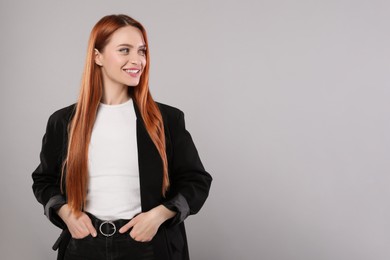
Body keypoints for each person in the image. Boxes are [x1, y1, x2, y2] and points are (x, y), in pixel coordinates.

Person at [32, 14, 212, 260]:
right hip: (83, 247)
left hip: (148, 246)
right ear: (98, 57)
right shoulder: (64, 121)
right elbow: (44, 180)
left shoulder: (166, 119)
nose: (137, 60)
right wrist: (65, 213)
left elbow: (196, 181)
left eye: (142, 51)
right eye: (124, 50)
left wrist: (159, 215)